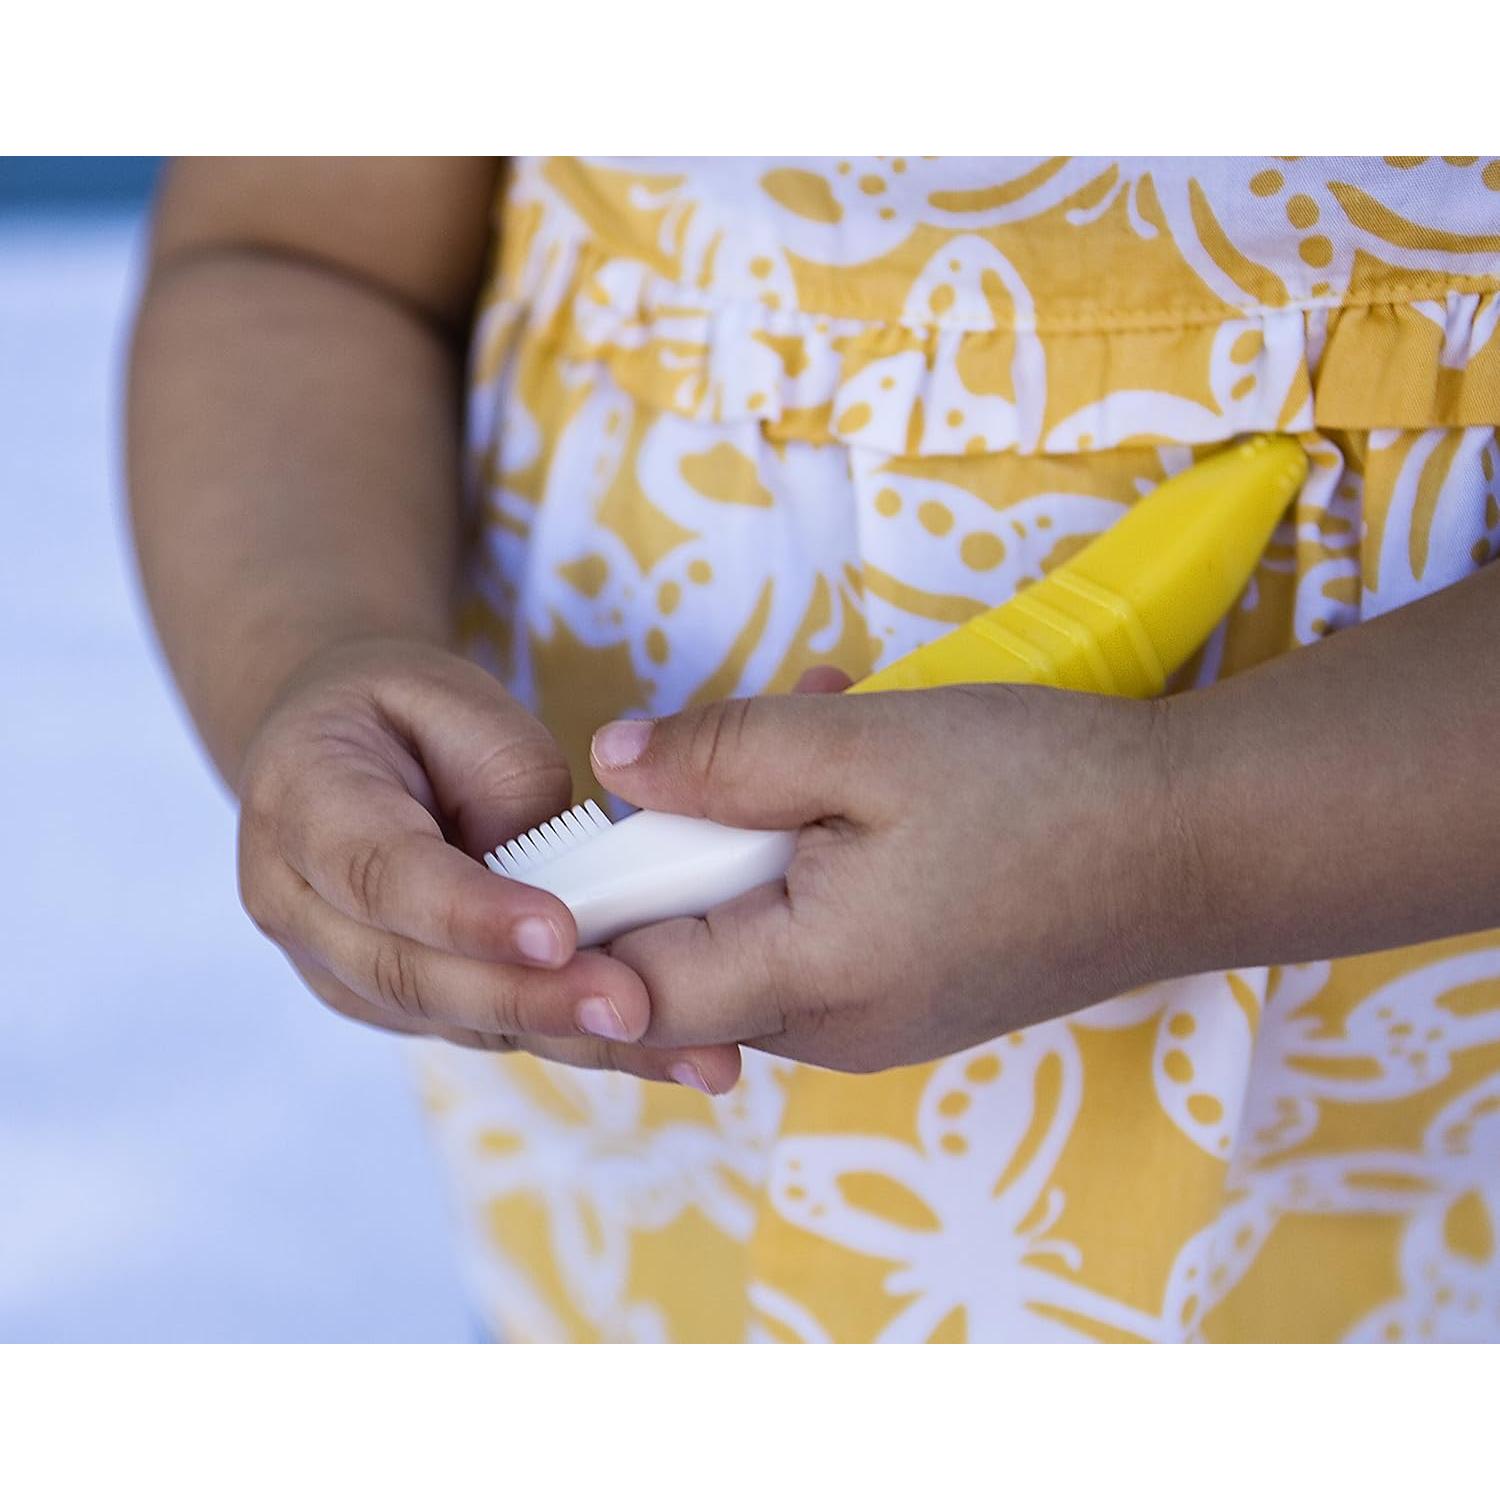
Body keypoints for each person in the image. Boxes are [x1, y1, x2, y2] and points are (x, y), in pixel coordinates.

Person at [129, 157, 1500, 1341]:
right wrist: (309, 649)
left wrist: (1184, 835)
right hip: (647, 1155)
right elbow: (293, 252)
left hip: (1394, 1062)